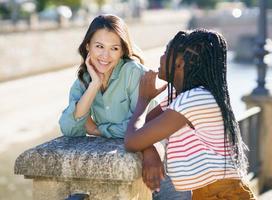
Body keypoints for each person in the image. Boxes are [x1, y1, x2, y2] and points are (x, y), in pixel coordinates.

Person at [58, 14, 190, 200]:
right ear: (88, 46)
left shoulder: (134, 73)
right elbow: (69, 128)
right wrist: (94, 85)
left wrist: (97, 130)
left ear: (122, 51)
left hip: (161, 165)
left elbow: (139, 128)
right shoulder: (84, 80)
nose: (105, 55)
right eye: (99, 46)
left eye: (114, 48)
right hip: (115, 165)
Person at [124, 28, 257, 199]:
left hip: (222, 194)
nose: (161, 57)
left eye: (166, 52)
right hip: (205, 193)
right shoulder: (177, 98)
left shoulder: (194, 98)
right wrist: (150, 152)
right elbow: (143, 133)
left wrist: (143, 99)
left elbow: (132, 140)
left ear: (180, 62)